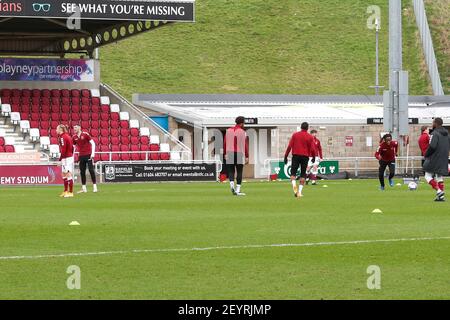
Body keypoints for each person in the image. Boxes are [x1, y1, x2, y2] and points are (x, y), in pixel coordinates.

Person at [284, 122, 316, 198]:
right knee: (303, 174)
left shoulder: (295, 135)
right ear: (307, 128)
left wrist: (285, 156)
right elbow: (313, 149)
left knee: (293, 174)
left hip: (296, 156)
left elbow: (289, 146)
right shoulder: (310, 137)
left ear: (301, 127)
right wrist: (314, 157)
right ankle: (300, 192)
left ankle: (295, 190)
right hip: (305, 157)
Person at [423, 118, 449, 202]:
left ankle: (439, 191)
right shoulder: (447, 134)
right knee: (439, 177)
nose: (432, 124)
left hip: (434, 158)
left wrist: (426, 154)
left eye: (433, 122)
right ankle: (441, 197)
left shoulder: (434, 133)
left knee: (427, 176)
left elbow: (432, 146)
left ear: (435, 123)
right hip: (443, 158)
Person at [224, 116, 249, 196]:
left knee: (231, 171)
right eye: (244, 123)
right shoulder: (242, 132)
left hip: (230, 152)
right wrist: (247, 156)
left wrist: (225, 153)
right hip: (239, 153)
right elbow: (244, 145)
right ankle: (238, 190)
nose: (244, 124)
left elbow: (225, 143)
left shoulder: (228, 130)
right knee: (239, 171)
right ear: (241, 123)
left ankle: (232, 186)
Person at [73, 125, 98, 193]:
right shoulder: (74, 137)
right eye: (74, 128)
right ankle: (84, 187)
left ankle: (95, 186)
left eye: (75, 127)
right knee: (82, 171)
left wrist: (92, 154)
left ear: (79, 128)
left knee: (91, 170)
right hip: (81, 156)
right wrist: (72, 156)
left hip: (88, 155)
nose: (74, 129)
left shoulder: (85, 134)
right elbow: (73, 146)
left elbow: (93, 143)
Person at [57, 124, 74, 198]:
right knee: (64, 174)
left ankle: (70, 192)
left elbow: (63, 149)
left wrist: (60, 159)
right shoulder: (67, 136)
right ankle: (65, 191)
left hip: (66, 158)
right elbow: (72, 147)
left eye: (57, 129)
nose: (56, 130)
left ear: (61, 130)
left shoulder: (63, 137)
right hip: (68, 157)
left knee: (68, 174)